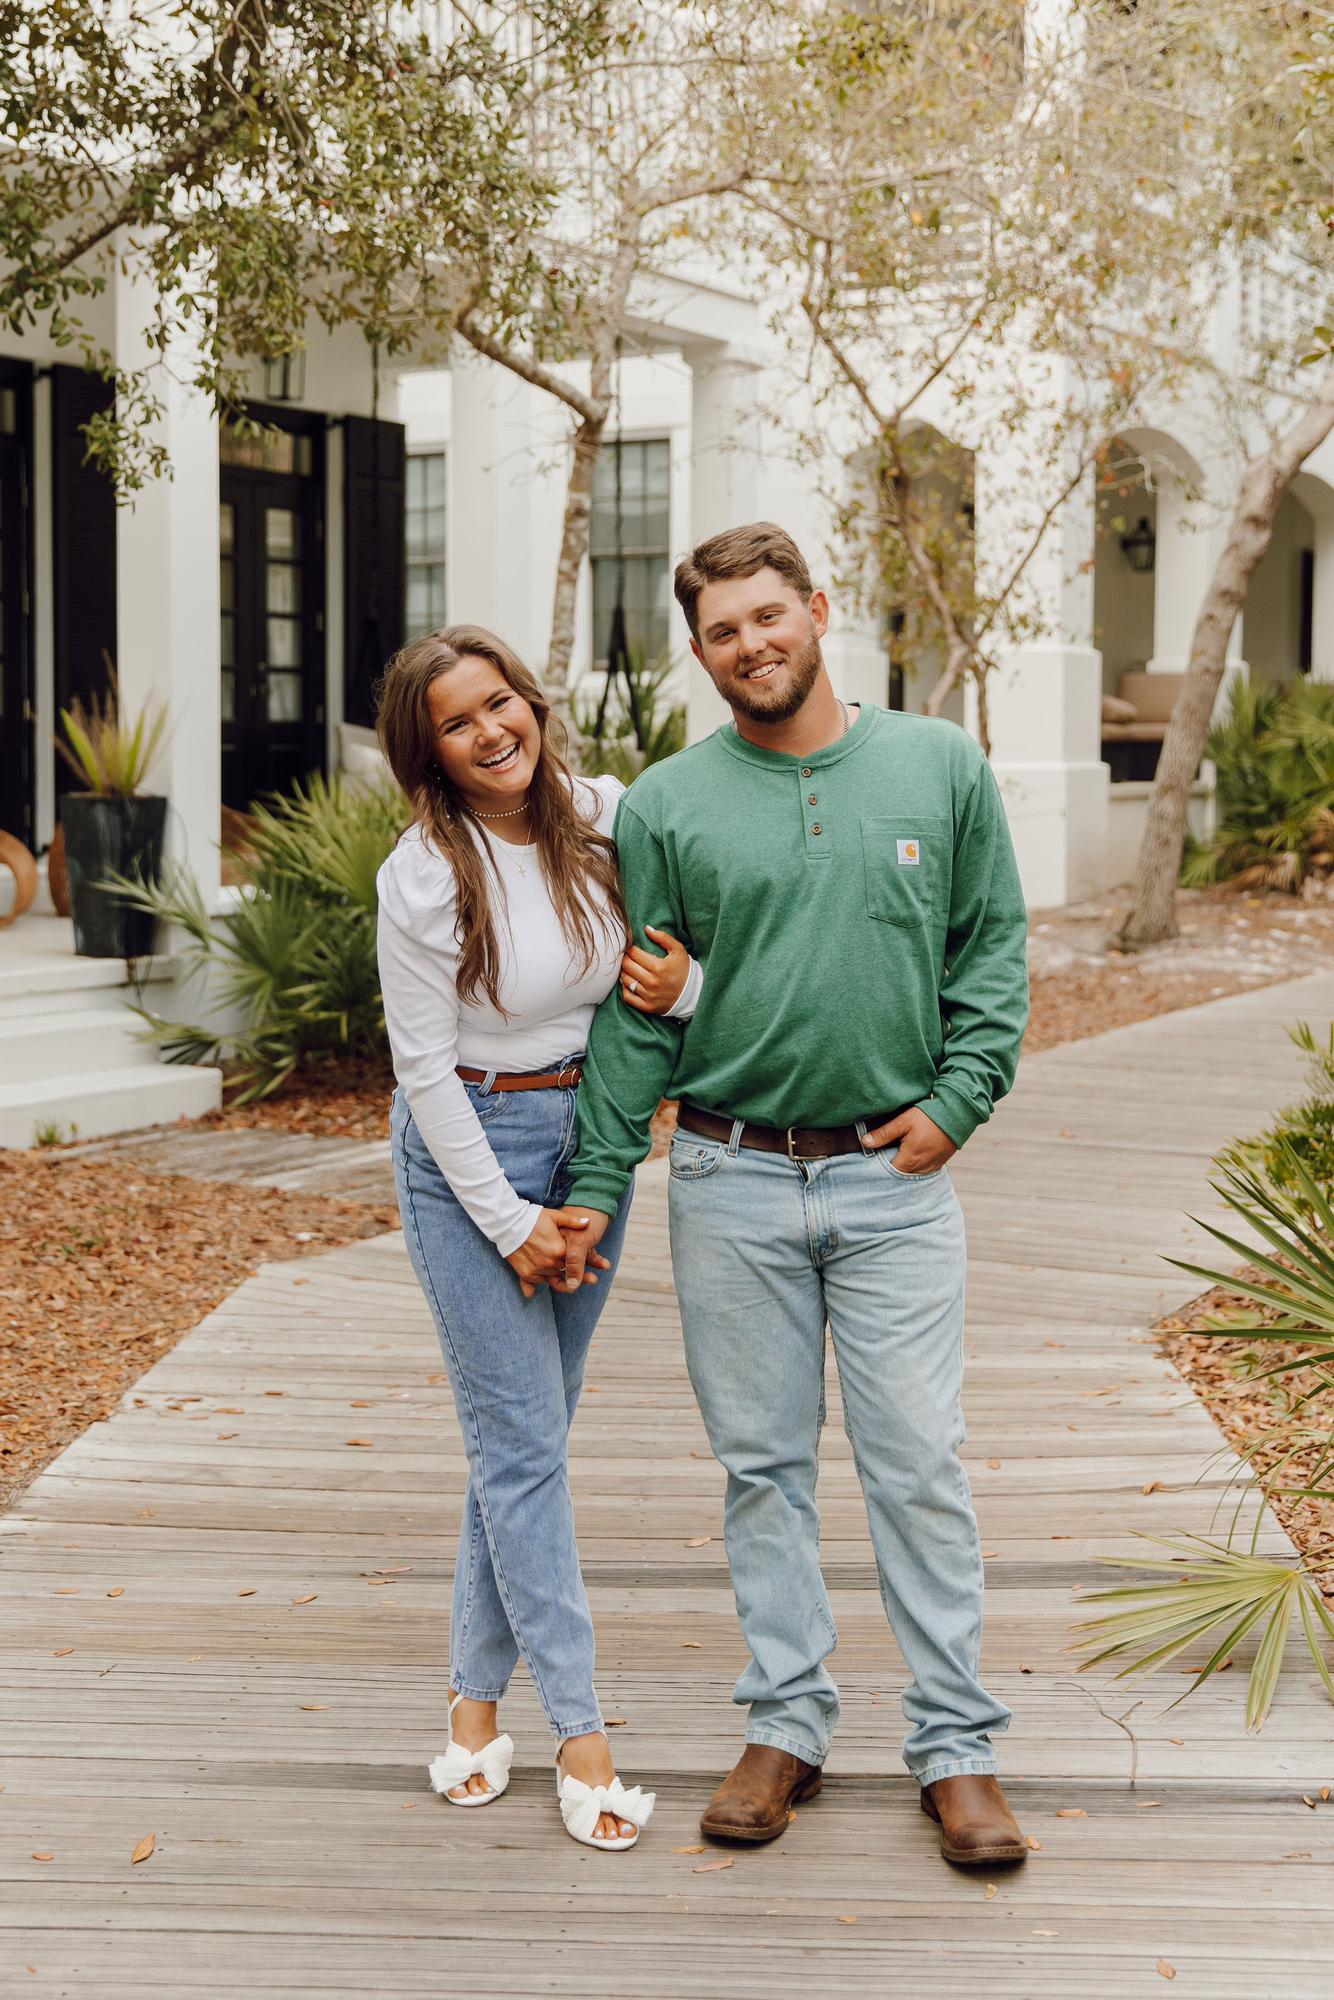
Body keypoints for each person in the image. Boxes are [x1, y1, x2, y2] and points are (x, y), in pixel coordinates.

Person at [559, 524, 1032, 1867]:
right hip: (723, 1176)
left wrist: (956, 1104)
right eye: (722, 630)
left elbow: (989, 947)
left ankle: (955, 1745)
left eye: (770, 616)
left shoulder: (937, 766)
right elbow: (641, 1014)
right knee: (759, 1470)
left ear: (817, 611)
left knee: (917, 1467)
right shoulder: (665, 804)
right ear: (698, 649)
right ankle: (787, 1724)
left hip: (891, 1184)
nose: (751, 645)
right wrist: (600, 1183)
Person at [375, 623, 700, 1851]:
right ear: (431, 750)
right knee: (521, 1444)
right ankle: (580, 1732)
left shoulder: (608, 815)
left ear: (531, 701)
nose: (490, 730)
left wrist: (597, 1175)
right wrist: (509, 1221)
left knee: (524, 1440)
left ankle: (470, 1706)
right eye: (458, 721)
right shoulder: (418, 876)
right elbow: (422, 1070)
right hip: (469, 1158)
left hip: (596, 1147)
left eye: (499, 701)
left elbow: (672, 970)